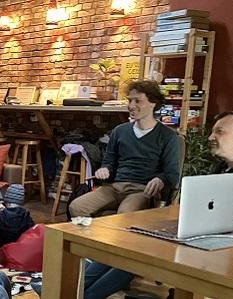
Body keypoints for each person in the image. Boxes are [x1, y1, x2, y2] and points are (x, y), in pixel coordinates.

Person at [35, 110, 233, 299]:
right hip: (208, 236)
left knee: (135, 253)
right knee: (130, 244)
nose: (210, 137)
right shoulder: (228, 167)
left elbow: (231, 217)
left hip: (229, 249)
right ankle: (64, 294)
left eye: (219, 131)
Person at [69, 80, 180, 217]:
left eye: (137, 101)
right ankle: (94, 232)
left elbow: (171, 173)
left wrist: (160, 179)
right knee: (76, 207)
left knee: (124, 215)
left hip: (142, 190)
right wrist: (105, 169)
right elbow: (109, 162)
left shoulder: (168, 135)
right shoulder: (119, 131)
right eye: (130, 101)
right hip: (114, 188)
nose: (131, 106)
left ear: (153, 103)